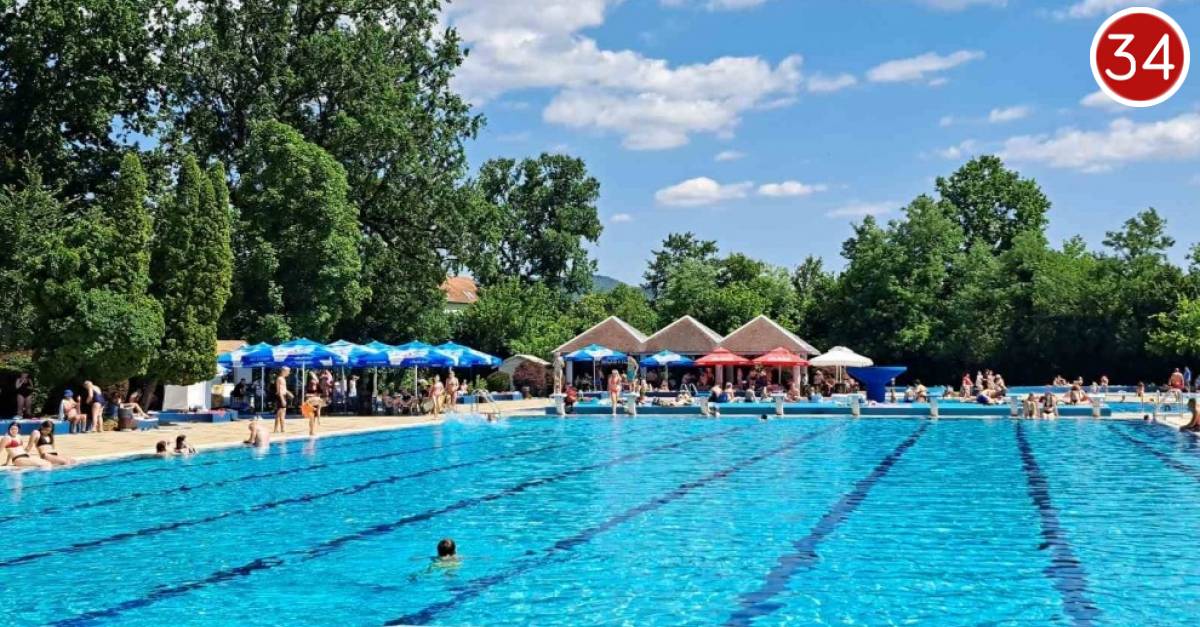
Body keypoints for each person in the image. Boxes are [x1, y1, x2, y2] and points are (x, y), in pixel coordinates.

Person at [274, 367, 293, 434]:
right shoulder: (279, 379)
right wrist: (282, 399)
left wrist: (289, 393)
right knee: (279, 414)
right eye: (288, 371)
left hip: (283, 396)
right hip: (280, 396)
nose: (289, 373)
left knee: (283, 413)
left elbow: (284, 388)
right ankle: (276, 429)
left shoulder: (283, 379)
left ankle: (282, 428)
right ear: (283, 371)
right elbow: (279, 390)